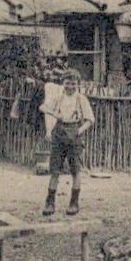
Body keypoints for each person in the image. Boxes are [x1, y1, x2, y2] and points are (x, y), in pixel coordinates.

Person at [39, 68, 94, 216]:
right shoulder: (58, 97)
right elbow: (42, 107)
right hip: (59, 133)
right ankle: (50, 203)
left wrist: (79, 131)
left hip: (75, 134)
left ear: (77, 85)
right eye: (67, 83)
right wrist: (55, 114)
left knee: (75, 170)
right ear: (63, 83)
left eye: (73, 84)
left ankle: (74, 203)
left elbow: (90, 120)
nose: (70, 87)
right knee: (55, 170)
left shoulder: (81, 99)